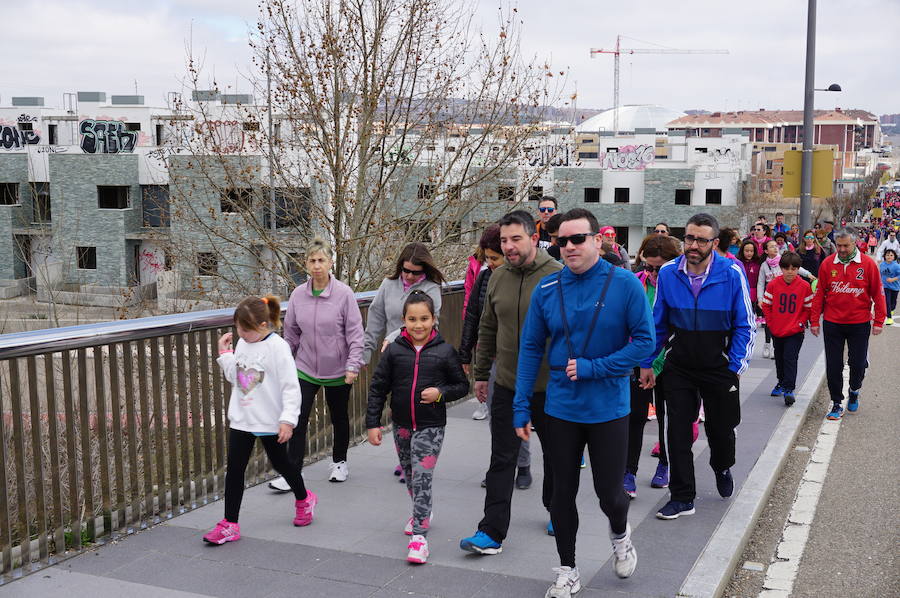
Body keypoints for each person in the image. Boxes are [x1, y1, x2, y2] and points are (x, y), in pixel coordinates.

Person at [514, 208, 654, 593]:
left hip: (608, 406)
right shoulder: (547, 288)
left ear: (597, 240)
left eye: (578, 239)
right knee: (561, 492)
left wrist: (596, 367)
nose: (570, 247)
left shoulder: (625, 284)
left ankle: (620, 535)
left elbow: (645, 343)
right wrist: (521, 405)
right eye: (562, 241)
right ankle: (567, 569)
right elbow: (529, 349)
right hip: (560, 407)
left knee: (610, 493)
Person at [459, 210, 562, 555]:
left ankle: (557, 511)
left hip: (549, 386)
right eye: (504, 240)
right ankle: (491, 531)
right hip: (506, 382)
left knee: (557, 454)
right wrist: (481, 374)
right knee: (502, 457)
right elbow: (487, 327)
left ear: (534, 238)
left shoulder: (559, 276)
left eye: (515, 238)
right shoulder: (497, 276)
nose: (509, 246)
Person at [640, 213, 755, 521]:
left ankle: (721, 465)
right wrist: (648, 362)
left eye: (701, 240)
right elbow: (658, 323)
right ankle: (681, 496)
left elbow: (746, 323)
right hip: (679, 366)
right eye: (689, 238)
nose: (692, 245)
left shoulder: (731, 272)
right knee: (676, 431)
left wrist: (734, 366)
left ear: (714, 243)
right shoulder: (667, 273)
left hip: (719, 366)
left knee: (721, 429)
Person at [366, 291, 469, 564]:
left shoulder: (446, 351)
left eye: (424, 318)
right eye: (412, 319)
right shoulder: (395, 351)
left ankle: (419, 538)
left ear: (434, 319)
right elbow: (378, 388)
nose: (418, 325)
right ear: (404, 320)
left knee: (422, 476)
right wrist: (372, 423)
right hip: (401, 425)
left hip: (431, 425)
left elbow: (461, 386)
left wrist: (440, 393)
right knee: (411, 476)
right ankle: (423, 510)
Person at [204, 295, 315, 544]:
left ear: (263, 325)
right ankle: (230, 524)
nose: (240, 334)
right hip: (242, 418)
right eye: (238, 329)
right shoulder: (243, 343)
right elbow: (239, 378)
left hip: (269, 420)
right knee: (234, 470)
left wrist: (287, 420)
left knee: (282, 464)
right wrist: (226, 354)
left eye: (245, 329)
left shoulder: (278, 347)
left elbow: (290, 387)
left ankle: (304, 498)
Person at [268, 239, 364, 491]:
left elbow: (355, 334)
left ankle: (339, 462)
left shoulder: (344, 294)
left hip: (338, 369)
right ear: (306, 264)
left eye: (322, 260)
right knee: (297, 417)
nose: (317, 265)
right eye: (312, 260)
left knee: (339, 417)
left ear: (330, 263)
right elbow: (291, 335)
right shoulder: (298, 295)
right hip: (305, 367)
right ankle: (292, 471)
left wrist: (353, 365)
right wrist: (282, 361)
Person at [363, 242, 446, 481]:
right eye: (405, 270)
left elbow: (425, 324)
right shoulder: (389, 285)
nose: (409, 276)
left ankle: (416, 458)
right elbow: (376, 317)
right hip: (393, 357)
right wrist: (365, 352)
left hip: (422, 355)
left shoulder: (432, 289)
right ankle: (405, 455)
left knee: (417, 405)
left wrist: (392, 337)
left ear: (425, 271)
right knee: (398, 404)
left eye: (415, 272)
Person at [625, 234, 681, 499]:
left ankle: (665, 465)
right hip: (639, 362)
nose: (654, 272)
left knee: (666, 419)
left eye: (660, 267)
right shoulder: (636, 284)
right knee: (634, 417)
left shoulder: (680, 285)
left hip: (669, 363)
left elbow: (674, 329)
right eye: (649, 266)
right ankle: (628, 472)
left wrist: (657, 365)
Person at [810, 229, 886, 420]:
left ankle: (854, 389)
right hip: (832, 322)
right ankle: (836, 402)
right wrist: (814, 320)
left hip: (859, 323)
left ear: (855, 243)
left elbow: (878, 293)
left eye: (846, 245)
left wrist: (879, 320)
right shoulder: (828, 264)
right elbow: (819, 293)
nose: (842, 249)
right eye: (839, 245)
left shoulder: (868, 264)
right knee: (833, 365)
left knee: (858, 364)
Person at [459, 224, 505, 423]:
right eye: (487, 258)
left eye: (494, 258)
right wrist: (464, 353)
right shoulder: (484, 276)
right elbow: (472, 315)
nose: (490, 263)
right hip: (488, 350)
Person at [760, 252, 814, 406]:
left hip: (795, 331)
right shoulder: (773, 284)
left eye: (794, 268)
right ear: (781, 268)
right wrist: (770, 323)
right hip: (777, 329)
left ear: (798, 269)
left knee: (790, 358)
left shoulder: (804, 286)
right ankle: (781, 382)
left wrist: (801, 323)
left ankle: (789, 389)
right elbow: (767, 305)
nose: (790, 271)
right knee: (779, 358)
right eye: (787, 268)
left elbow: (807, 308)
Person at [757, 240, 814, 359]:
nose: (789, 271)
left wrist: (808, 274)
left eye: (775, 246)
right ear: (766, 251)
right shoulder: (764, 265)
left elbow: (798, 268)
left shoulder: (784, 259)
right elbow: (760, 283)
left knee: (790, 359)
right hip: (773, 298)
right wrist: (760, 298)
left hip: (794, 324)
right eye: (771, 246)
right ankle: (768, 344)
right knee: (780, 363)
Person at [879, 249, 899, 325]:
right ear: (884, 256)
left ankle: (892, 309)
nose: (889, 257)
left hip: (895, 287)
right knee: (887, 302)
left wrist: (893, 279)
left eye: (891, 255)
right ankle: (889, 318)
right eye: (887, 255)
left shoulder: (896, 266)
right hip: (885, 286)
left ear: (894, 257)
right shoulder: (882, 265)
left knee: (893, 302)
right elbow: (880, 274)